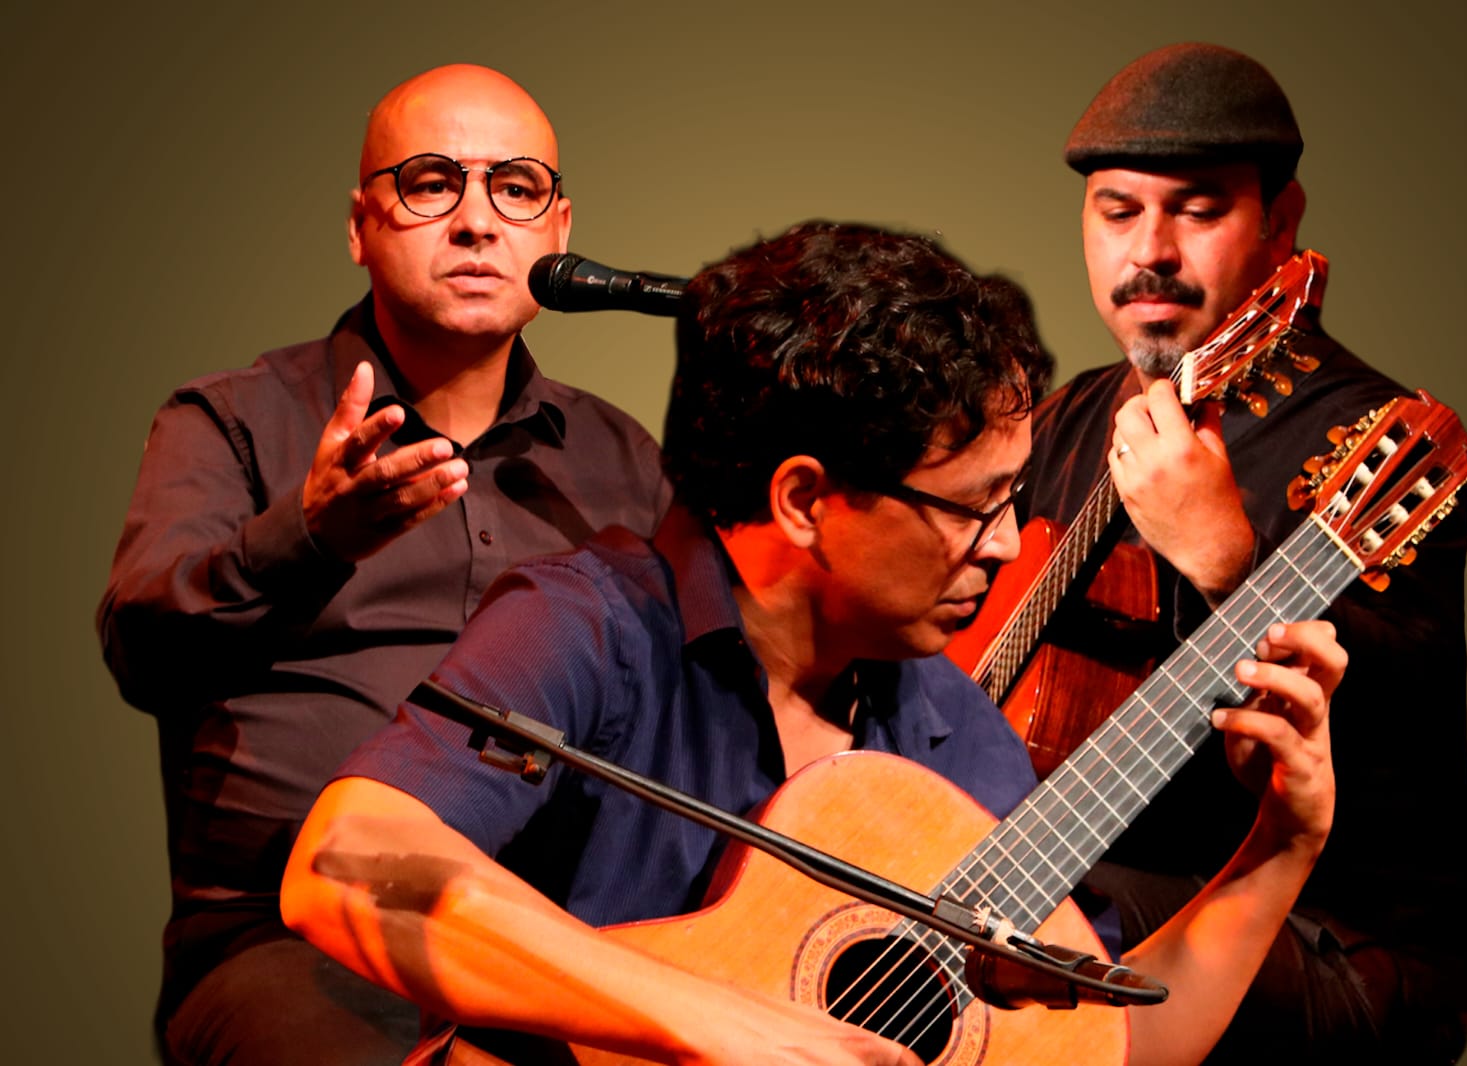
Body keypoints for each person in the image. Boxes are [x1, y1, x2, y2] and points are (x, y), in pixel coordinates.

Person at [281, 221, 1345, 1066]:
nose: (1005, 544)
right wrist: (714, 1022)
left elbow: (1111, 1046)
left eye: (1015, 499)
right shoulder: (590, 627)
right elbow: (346, 863)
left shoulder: (950, 734)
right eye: (972, 507)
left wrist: (1281, 847)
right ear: (803, 500)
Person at [97, 64, 672, 1065]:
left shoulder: (622, 460)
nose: (476, 222)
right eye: (430, 183)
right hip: (299, 938)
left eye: (516, 188)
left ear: (559, 229)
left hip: (569, 943)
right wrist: (312, 536)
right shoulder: (232, 420)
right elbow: (143, 652)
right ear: (360, 226)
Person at [1019, 42, 1467, 1064]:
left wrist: (1228, 564)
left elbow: (1396, 724)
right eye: (1117, 211)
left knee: (1016, 913)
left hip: (1337, 930)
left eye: (1196, 211)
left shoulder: (1375, 441)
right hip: (1110, 873)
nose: (1150, 250)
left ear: (1281, 224)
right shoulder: (1062, 422)